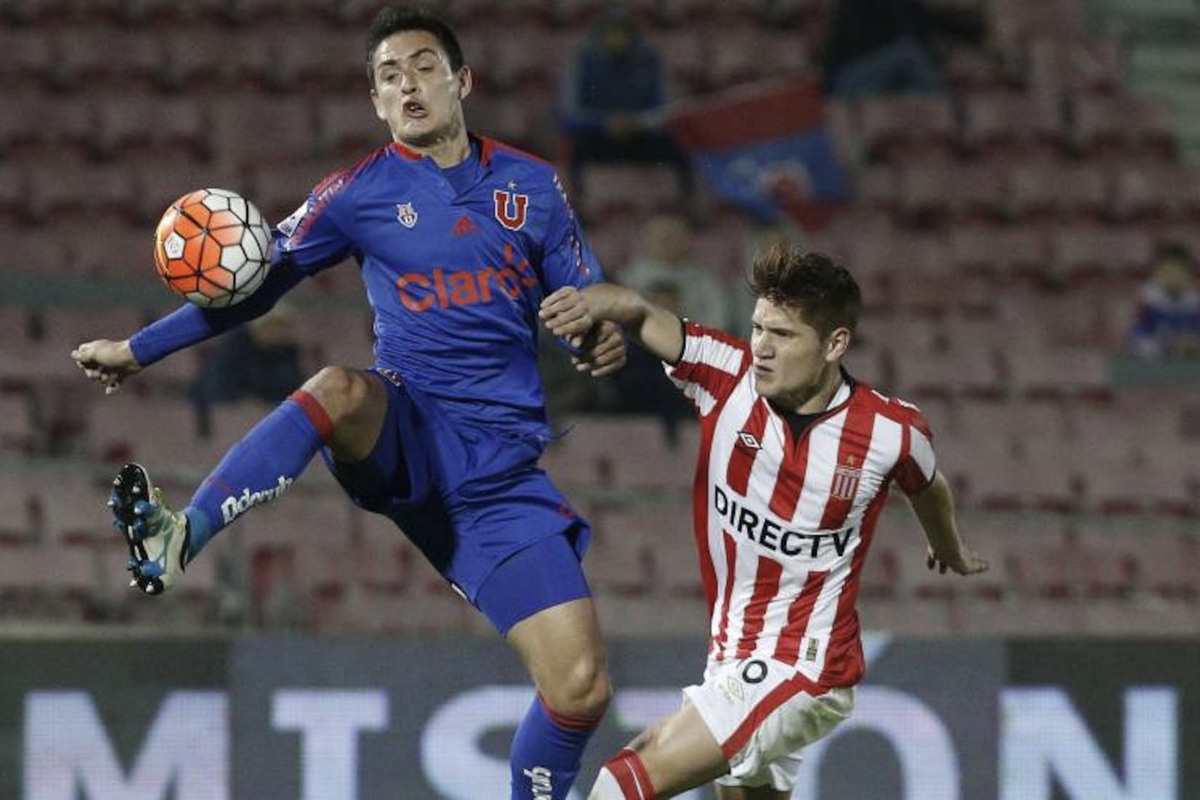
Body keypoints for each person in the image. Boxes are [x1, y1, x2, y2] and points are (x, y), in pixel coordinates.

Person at [71, 6, 627, 799]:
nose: (408, 85)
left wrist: (598, 337)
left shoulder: (533, 187)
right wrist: (136, 350)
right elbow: (251, 292)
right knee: (336, 386)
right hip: (406, 430)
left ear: (462, 80)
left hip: (500, 478)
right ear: (374, 102)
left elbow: (585, 298)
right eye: (388, 76)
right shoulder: (352, 194)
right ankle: (180, 535)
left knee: (581, 690)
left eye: (424, 66)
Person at [540, 243, 989, 798]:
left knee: (625, 778)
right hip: (732, 657)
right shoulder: (724, 373)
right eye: (758, 329)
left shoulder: (889, 432)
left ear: (835, 344)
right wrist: (586, 304)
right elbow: (634, 308)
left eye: (783, 335)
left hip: (806, 667)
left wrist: (949, 546)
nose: (762, 349)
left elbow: (929, 484)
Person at [557, 6, 692, 213]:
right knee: (576, 150)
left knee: (679, 150)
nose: (617, 37)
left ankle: (684, 207)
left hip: (640, 134)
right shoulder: (582, 63)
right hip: (600, 137)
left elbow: (666, 110)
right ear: (600, 35)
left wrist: (637, 122)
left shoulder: (648, 62)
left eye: (622, 32)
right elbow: (569, 116)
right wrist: (605, 122)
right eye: (611, 32)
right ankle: (579, 210)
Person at [820, 0, 985, 98]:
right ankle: (949, 111)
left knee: (914, 87)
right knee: (909, 55)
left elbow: (930, 20)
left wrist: (973, 31)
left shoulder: (908, 9)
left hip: (889, 78)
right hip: (849, 80)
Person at [190, 300, 305, 438]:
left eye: (284, 326)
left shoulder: (287, 353)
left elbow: (294, 389)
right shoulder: (234, 348)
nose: (280, 331)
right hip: (230, 419)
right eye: (275, 325)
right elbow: (217, 389)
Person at [619, 211, 730, 330]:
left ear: (687, 240)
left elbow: (718, 324)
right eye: (659, 235)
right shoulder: (626, 280)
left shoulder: (705, 282)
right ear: (644, 239)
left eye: (673, 235)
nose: (666, 242)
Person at [1125, 240, 1200, 359]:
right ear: (1156, 272)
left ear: (1189, 273)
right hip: (1153, 360)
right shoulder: (1147, 299)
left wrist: (1191, 344)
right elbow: (1135, 338)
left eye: (1179, 271)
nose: (1173, 276)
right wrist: (1165, 346)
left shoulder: (1194, 301)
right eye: (1167, 270)